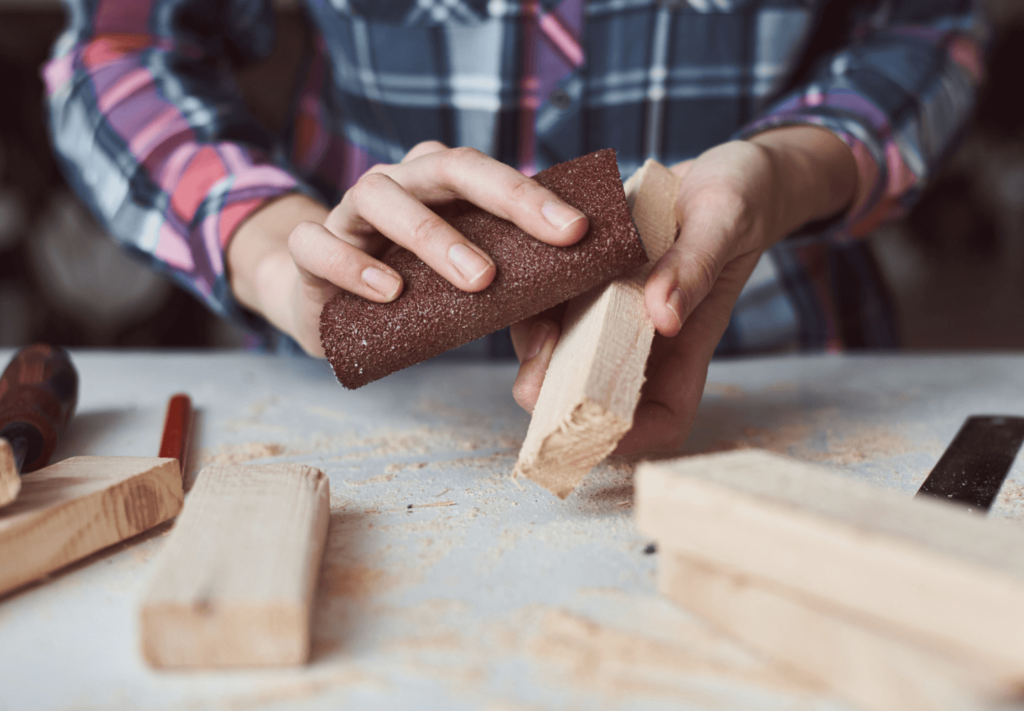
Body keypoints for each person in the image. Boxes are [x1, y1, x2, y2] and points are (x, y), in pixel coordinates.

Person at [45, 0, 986, 454]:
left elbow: (929, 24)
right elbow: (122, 48)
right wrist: (269, 246)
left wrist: (785, 169)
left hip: (783, 379)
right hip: (364, 417)